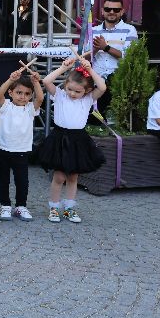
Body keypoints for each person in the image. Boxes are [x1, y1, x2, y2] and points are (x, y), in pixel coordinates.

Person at [36, 56, 106, 223]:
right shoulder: (60, 95)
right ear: (65, 85)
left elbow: (102, 87)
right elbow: (46, 81)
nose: (73, 94)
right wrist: (63, 68)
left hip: (78, 140)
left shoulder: (88, 99)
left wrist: (90, 70)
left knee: (73, 177)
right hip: (59, 138)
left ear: (87, 91)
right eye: (70, 89)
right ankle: (54, 207)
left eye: (77, 91)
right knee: (59, 177)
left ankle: (69, 208)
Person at [0, 67, 43, 222]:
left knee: (22, 180)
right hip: (3, 148)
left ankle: (21, 206)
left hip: (22, 150)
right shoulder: (6, 105)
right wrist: (11, 79)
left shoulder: (30, 108)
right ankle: (5, 206)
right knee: (3, 179)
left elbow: (40, 98)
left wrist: (36, 82)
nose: (23, 96)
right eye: (19, 92)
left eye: (27, 94)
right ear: (11, 93)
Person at [90, 0, 137, 118]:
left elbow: (129, 56)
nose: (111, 12)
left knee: (115, 118)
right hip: (96, 80)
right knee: (94, 118)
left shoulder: (130, 30)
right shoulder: (93, 30)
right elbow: (85, 57)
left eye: (116, 10)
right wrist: (96, 49)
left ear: (122, 12)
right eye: (107, 9)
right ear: (102, 11)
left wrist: (105, 47)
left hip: (119, 80)